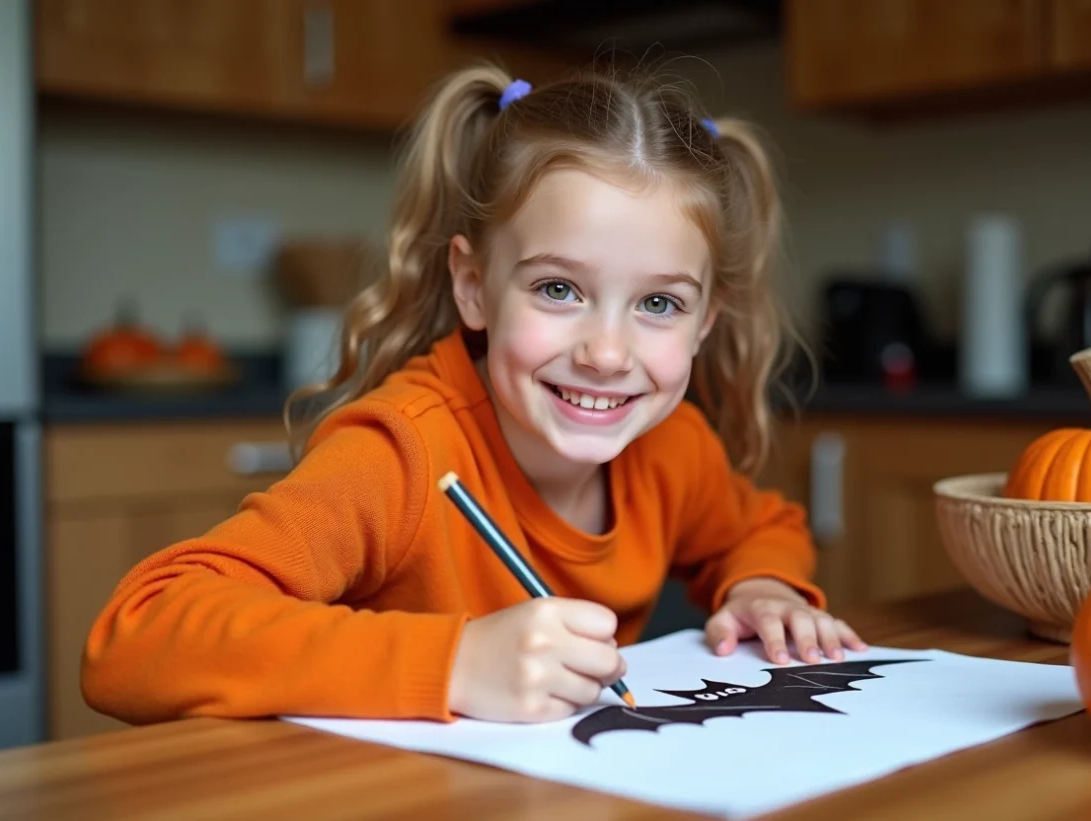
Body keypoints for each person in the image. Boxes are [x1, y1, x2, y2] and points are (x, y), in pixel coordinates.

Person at [81, 61, 867, 728]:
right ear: (474, 287)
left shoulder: (672, 445)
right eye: (559, 288)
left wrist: (762, 586)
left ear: (705, 322)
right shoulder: (402, 451)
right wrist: (454, 663)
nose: (606, 353)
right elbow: (137, 632)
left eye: (659, 304)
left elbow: (760, 527)